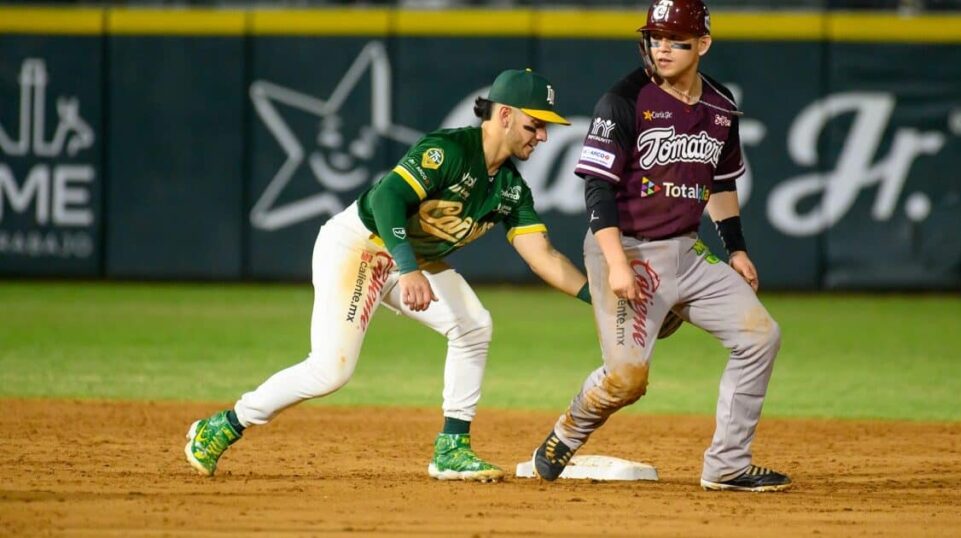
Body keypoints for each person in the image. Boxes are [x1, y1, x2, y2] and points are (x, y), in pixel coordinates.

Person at [185, 69, 590, 483]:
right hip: (362, 246)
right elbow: (387, 197)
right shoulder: (449, 150)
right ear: (504, 115)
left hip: (407, 261)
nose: (542, 136)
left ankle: (452, 448)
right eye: (535, 123)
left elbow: (542, 255)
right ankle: (225, 425)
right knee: (330, 371)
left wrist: (595, 297)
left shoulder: (509, 188)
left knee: (473, 326)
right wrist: (410, 268)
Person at [530, 0, 791, 492]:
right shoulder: (624, 99)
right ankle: (568, 431)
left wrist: (735, 248)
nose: (663, 48)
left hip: (687, 253)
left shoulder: (719, 105)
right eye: (656, 38)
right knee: (627, 379)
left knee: (760, 336)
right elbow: (597, 190)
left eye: (677, 41)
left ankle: (727, 465)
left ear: (704, 46)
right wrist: (615, 265)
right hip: (625, 248)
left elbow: (721, 181)